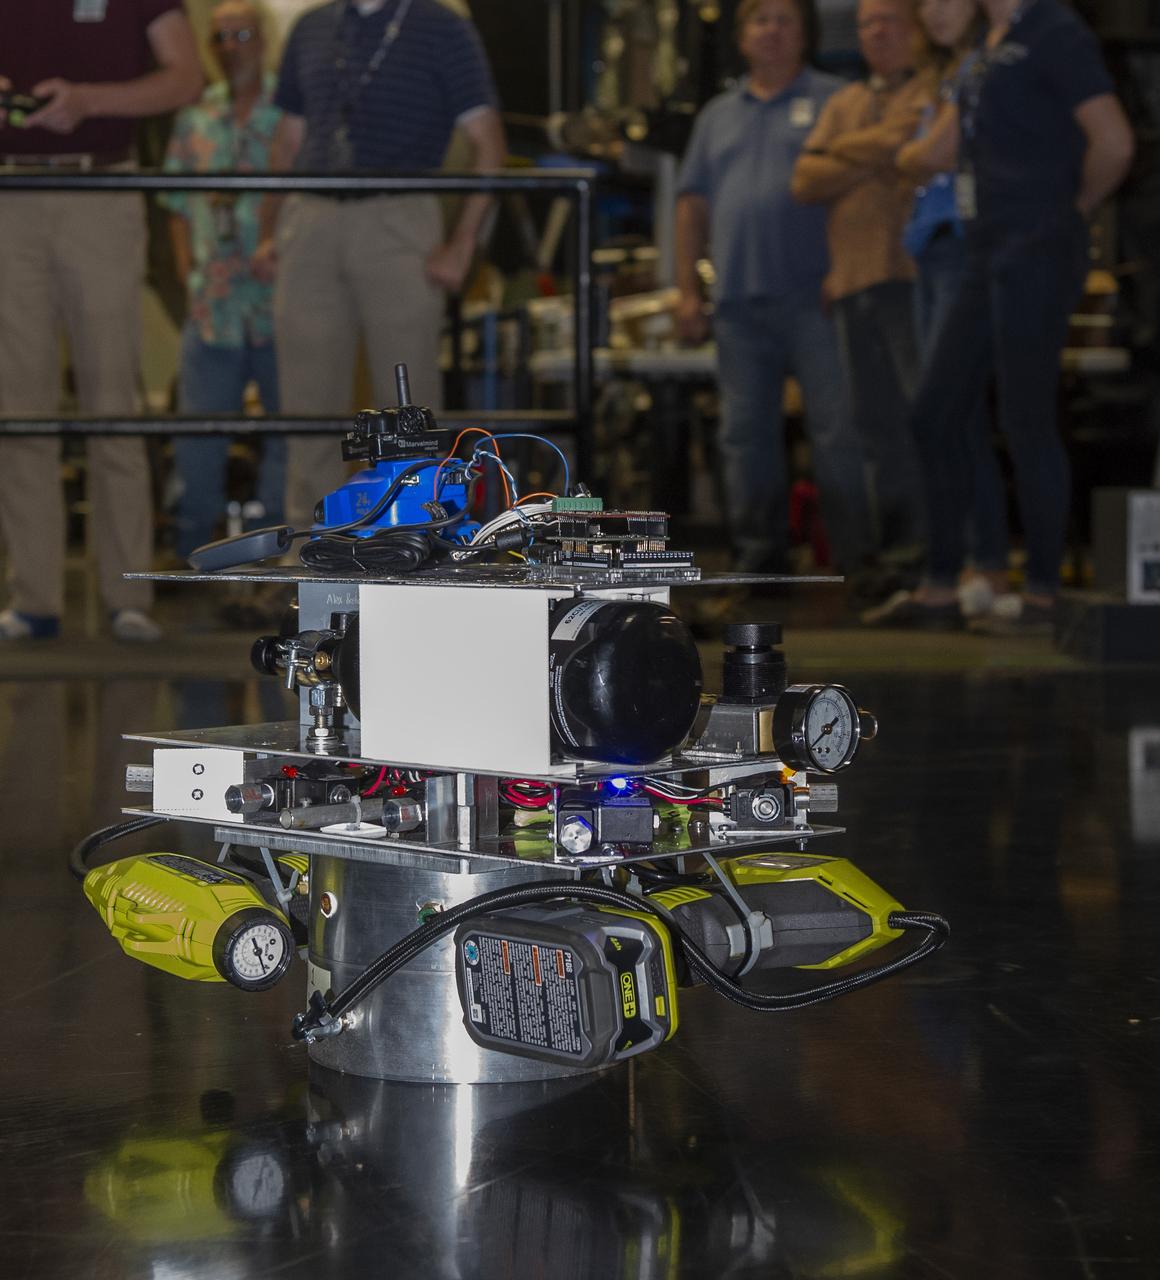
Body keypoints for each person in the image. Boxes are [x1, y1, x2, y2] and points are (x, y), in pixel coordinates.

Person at [867, 0, 1134, 631]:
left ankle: (1042, 595)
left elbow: (1114, 142)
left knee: (1025, 416)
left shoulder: (1054, 30)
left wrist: (1071, 210)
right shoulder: (990, 42)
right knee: (934, 413)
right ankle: (942, 587)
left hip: (1036, 247)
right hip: (983, 249)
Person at [252, 0, 506, 532]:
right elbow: (289, 140)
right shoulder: (312, 26)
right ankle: (312, 553)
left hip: (399, 214)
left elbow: (488, 141)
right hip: (311, 215)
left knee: (409, 406)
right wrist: (269, 231)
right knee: (306, 409)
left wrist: (463, 245)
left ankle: (416, 545)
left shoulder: (441, 27)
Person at [0, 2, 202, 642]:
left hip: (101, 190)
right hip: (10, 197)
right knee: (19, 408)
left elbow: (186, 76)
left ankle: (128, 595)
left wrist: (88, 100)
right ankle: (34, 598)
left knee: (112, 401)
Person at [675, 0, 875, 579]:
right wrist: (687, 291)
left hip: (819, 300)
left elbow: (865, 196)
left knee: (838, 432)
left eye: (784, 19)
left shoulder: (840, 101)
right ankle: (758, 564)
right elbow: (691, 207)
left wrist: (848, 269)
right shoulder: (717, 116)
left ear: (805, 34)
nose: (772, 30)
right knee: (744, 437)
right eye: (760, 20)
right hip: (737, 306)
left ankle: (858, 564)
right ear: (742, 38)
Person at [791, 0, 929, 565]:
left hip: (911, 280)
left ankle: (935, 554)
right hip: (849, 284)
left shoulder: (932, 89)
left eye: (889, 20)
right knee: (873, 427)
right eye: (868, 22)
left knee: (925, 418)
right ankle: (897, 555)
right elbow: (804, 179)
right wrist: (882, 151)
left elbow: (913, 141)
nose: (877, 32)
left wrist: (842, 151)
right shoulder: (845, 101)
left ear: (916, 28)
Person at [895, 0, 1010, 620]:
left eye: (948, 0)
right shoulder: (950, 75)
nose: (935, 12)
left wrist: (908, 153)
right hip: (935, 250)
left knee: (942, 413)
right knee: (952, 416)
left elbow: (931, 154)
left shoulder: (982, 69)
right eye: (927, 3)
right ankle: (973, 566)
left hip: (967, 250)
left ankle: (974, 567)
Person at [162, 0, 286, 563]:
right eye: (219, 38)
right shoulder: (195, 118)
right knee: (198, 438)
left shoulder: (290, 109)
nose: (230, 48)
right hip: (212, 305)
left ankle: (278, 556)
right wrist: (188, 272)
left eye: (241, 35)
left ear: (264, 39)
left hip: (280, 299)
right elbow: (174, 205)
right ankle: (196, 554)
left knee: (293, 431)